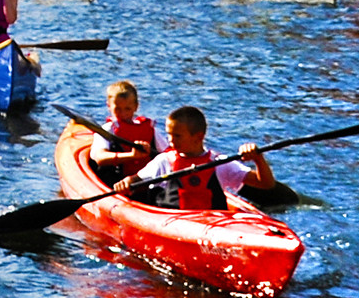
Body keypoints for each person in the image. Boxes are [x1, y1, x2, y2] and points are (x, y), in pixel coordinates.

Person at [117, 105, 276, 209]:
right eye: (169, 135)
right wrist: (126, 183)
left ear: (198, 137)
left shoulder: (220, 163)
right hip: (174, 223)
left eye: (177, 136)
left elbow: (266, 184)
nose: (170, 140)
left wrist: (258, 159)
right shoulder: (164, 161)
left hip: (212, 225)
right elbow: (134, 180)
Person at [90, 79, 164, 174]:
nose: (123, 114)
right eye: (118, 109)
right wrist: (131, 156)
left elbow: (168, 154)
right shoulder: (108, 130)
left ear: (136, 107)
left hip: (147, 181)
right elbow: (100, 157)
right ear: (109, 106)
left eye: (127, 109)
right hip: (116, 181)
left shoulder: (151, 130)